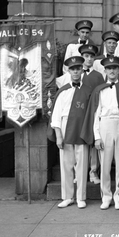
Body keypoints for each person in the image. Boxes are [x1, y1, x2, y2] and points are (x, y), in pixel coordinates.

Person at [80, 56, 119, 210]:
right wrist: (97, 136)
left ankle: (118, 196)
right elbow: (95, 114)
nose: (112, 71)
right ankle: (106, 196)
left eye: (114, 68)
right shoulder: (99, 90)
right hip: (104, 124)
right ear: (105, 70)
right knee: (105, 165)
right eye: (109, 68)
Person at [49, 56, 93, 209]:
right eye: (72, 69)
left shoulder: (88, 91)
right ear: (68, 70)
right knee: (66, 165)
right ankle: (68, 196)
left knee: (82, 166)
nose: (75, 71)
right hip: (65, 126)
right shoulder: (63, 91)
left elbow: (91, 113)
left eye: (78, 68)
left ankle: (81, 197)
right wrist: (58, 136)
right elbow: (56, 115)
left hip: (82, 128)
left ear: (82, 70)